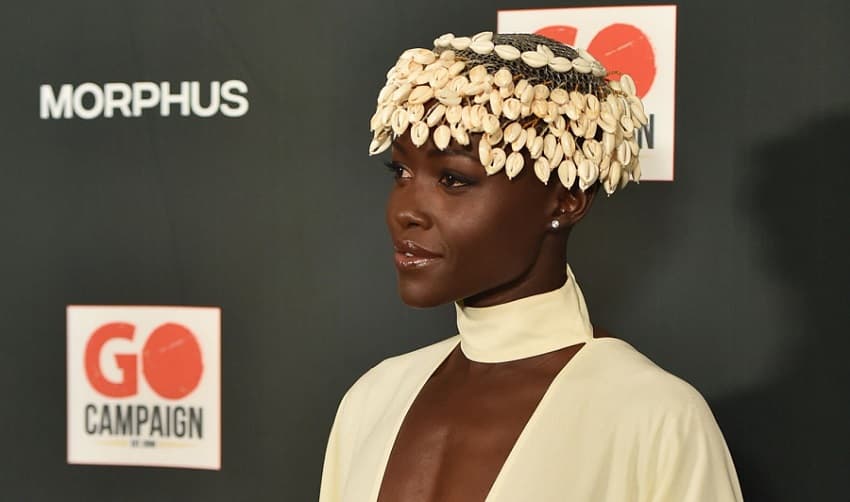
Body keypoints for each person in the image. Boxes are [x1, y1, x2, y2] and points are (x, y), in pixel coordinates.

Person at [320, 31, 743, 502]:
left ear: (566, 199)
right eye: (400, 172)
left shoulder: (654, 417)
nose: (405, 211)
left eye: (454, 179)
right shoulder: (373, 399)